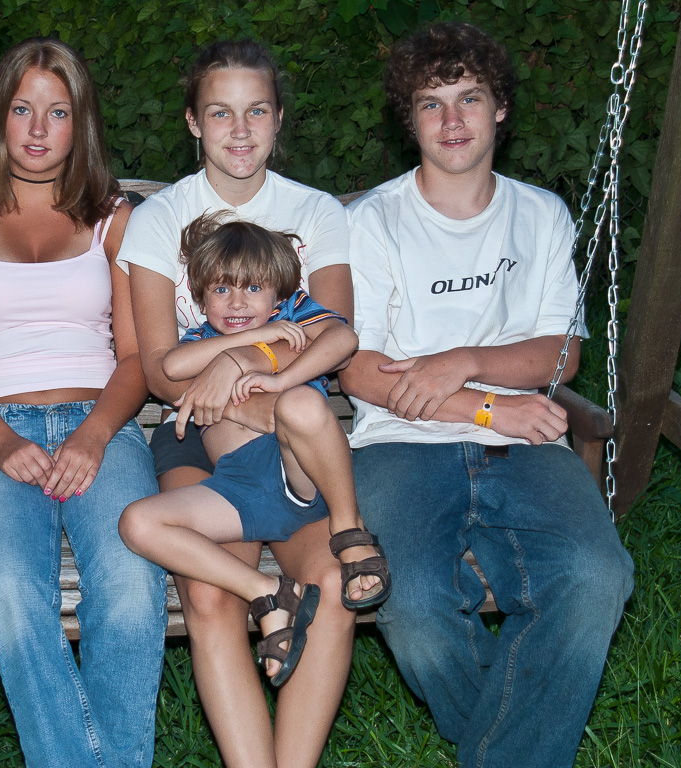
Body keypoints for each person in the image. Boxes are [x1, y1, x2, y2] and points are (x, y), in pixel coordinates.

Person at [340, 21, 635, 768]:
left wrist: (460, 358)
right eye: (430, 103)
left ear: (499, 107)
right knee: (410, 607)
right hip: (398, 444)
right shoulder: (369, 221)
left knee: (597, 576)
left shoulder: (539, 215)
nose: (451, 121)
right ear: (407, 118)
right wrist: (484, 404)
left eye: (468, 98)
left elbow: (561, 351)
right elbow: (359, 371)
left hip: (526, 442)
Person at [0, 38, 166, 768]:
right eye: (22, 110)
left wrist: (93, 435)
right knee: (14, 597)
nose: (36, 130)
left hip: (102, 426)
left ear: (78, 123)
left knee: (127, 588)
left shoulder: (116, 217)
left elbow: (135, 357)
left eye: (56, 113)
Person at [117, 39, 358, 768]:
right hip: (195, 432)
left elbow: (329, 332)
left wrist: (242, 359)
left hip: (292, 427)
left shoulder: (313, 212)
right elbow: (161, 375)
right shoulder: (160, 218)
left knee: (335, 583)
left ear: (278, 119)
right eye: (220, 112)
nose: (240, 129)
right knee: (210, 596)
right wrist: (227, 365)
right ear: (193, 122)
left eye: (256, 111)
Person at [120, 214, 389, 686]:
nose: (237, 302)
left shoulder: (296, 317)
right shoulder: (207, 339)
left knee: (301, 403)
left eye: (253, 289)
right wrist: (249, 341)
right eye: (221, 290)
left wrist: (282, 378)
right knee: (137, 522)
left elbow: (344, 338)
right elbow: (173, 364)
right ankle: (268, 593)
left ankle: (349, 529)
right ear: (202, 299)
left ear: (282, 296)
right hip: (238, 490)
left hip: (297, 470)